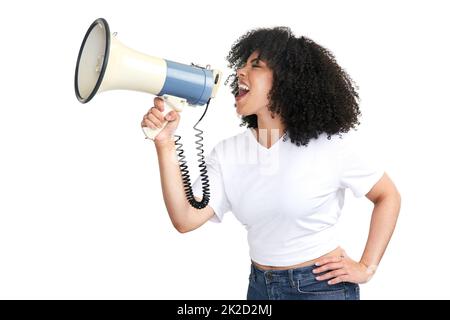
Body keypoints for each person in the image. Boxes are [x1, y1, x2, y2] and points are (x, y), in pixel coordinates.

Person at [141, 27, 401, 300]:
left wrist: (366, 267)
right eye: (242, 65)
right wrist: (165, 143)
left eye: (256, 66)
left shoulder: (331, 145)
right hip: (260, 287)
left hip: (321, 288)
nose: (240, 72)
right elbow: (185, 219)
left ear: (286, 81)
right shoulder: (229, 152)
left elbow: (388, 195)